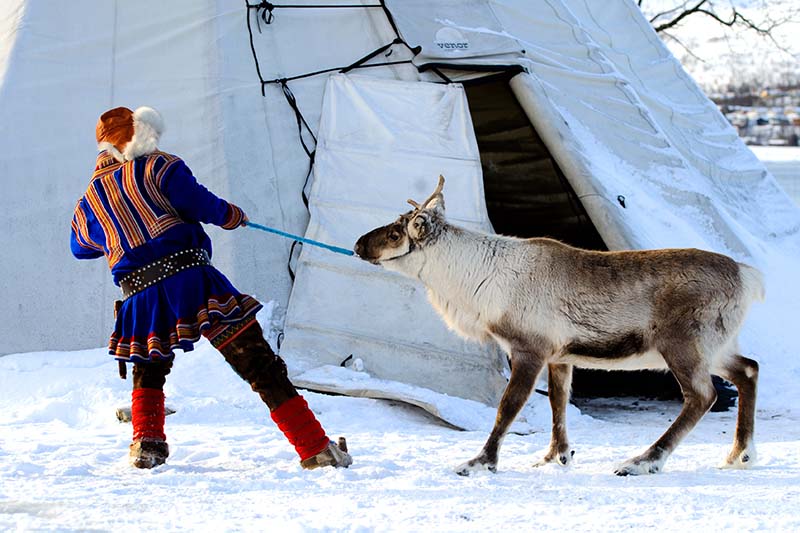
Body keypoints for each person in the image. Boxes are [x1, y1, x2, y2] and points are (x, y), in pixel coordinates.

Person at [70, 106, 352, 470]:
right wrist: (231, 215)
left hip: (139, 295)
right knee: (257, 363)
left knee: (149, 369)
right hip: (191, 279)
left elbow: (80, 247)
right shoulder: (159, 166)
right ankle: (315, 447)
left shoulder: (89, 200)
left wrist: (117, 233)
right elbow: (198, 202)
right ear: (141, 136)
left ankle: (147, 448)